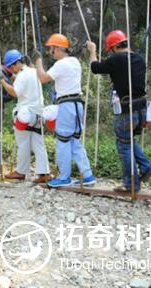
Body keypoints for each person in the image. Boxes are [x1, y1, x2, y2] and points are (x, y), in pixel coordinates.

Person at [86, 30, 151, 193]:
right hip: (141, 108)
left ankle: (131, 184)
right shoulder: (139, 59)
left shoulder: (116, 59)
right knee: (128, 140)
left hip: (126, 110)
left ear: (115, 46)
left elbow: (95, 68)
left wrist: (92, 51)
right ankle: (145, 166)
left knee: (123, 144)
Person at [35, 33, 96, 187]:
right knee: (75, 141)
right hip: (77, 104)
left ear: (57, 49)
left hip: (67, 105)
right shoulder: (75, 62)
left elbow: (42, 78)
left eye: (51, 49)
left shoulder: (61, 64)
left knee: (63, 140)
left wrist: (38, 62)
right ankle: (87, 175)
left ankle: (64, 177)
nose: (50, 52)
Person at [0, 49, 51, 183]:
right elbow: (24, 83)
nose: (11, 69)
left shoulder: (22, 75)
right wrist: (12, 78)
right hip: (38, 114)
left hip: (25, 114)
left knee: (22, 143)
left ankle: (21, 171)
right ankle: (44, 173)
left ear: (17, 63)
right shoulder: (34, 72)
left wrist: (3, 82)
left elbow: (15, 92)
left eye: (11, 66)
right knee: (38, 144)